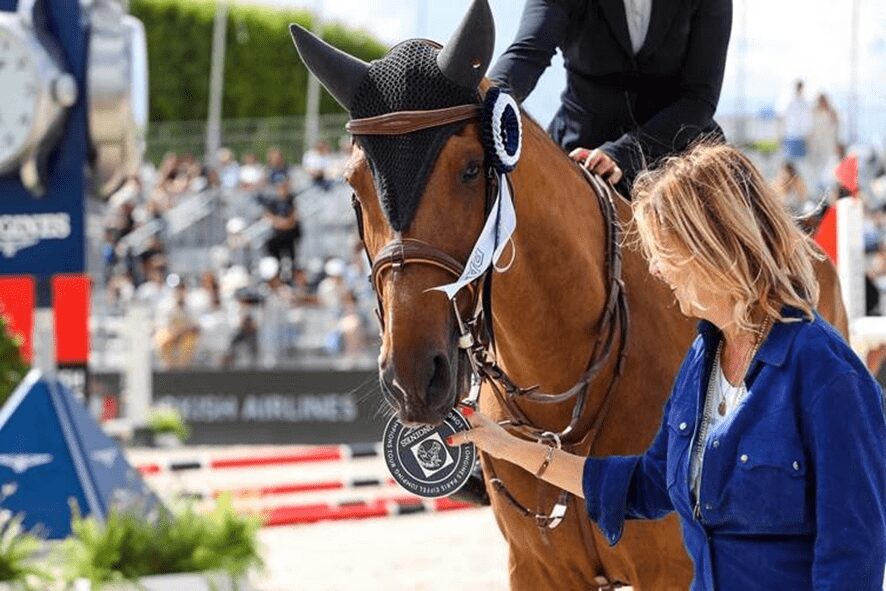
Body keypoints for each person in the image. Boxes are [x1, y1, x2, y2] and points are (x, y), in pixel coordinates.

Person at [452, 143, 886, 590]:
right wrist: (507, 446)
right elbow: (648, 483)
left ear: (712, 247)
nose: (656, 270)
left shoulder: (830, 376)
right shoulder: (703, 360)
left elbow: (853, 559)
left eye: (664, 251)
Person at [488, 0, 732, 191]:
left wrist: (625, 152)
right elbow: (527, 55)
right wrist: (485, 102)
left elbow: (699, 96)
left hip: (678, 149)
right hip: (580, 148)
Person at [781, 80, 812, 161]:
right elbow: (785, 117)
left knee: (801, 163)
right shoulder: (790, 101)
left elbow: (807, 119)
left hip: (802, 136)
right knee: (791, 161)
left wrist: (807, 133)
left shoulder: (805, 102)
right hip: (791, 135)